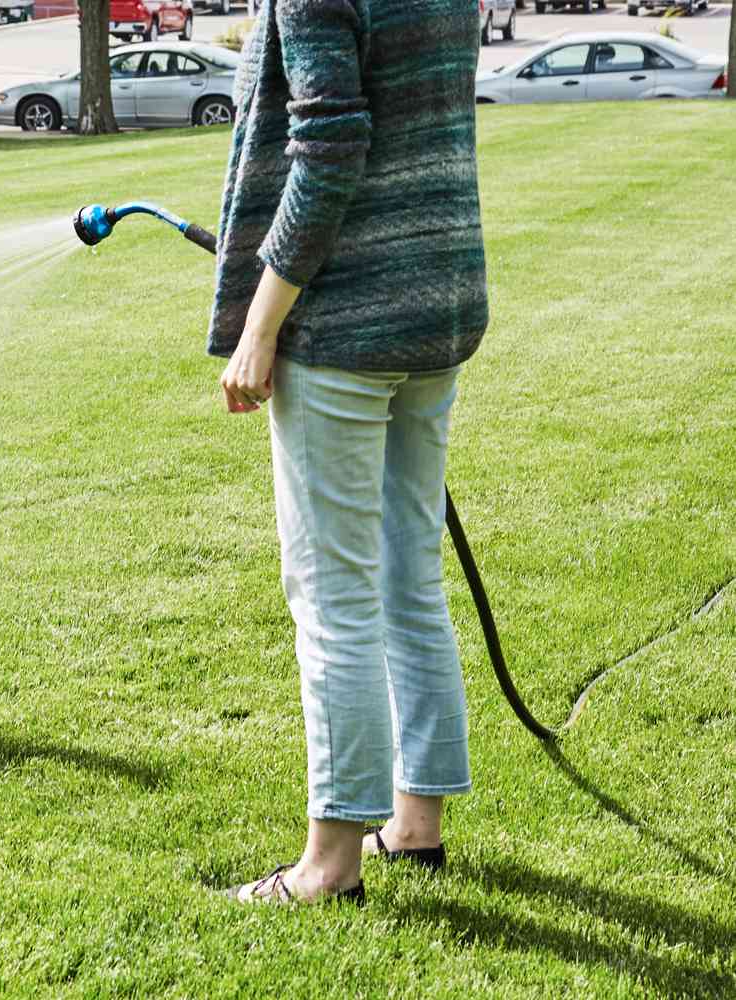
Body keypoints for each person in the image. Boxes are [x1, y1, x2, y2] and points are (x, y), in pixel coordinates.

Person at [208, 0, 489, 905]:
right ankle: (414, 826)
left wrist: (260, 325)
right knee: (409, 576)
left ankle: (328, 866)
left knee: (334, 596)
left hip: (350, 324)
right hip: (439, 303)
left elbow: (330, 150)